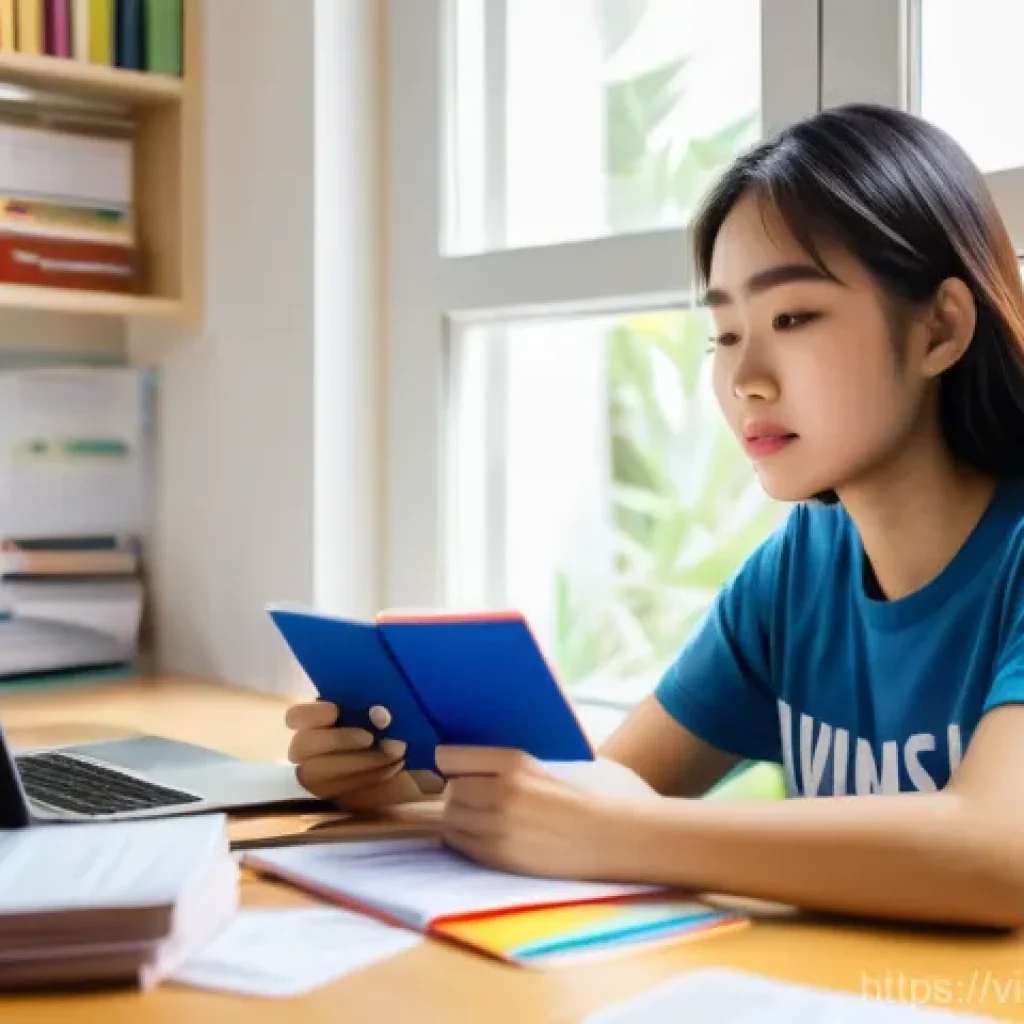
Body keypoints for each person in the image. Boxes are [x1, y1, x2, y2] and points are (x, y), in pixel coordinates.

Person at [284, 104, 1024, 929]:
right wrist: (406, 791)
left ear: (941, 327)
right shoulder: (799, 569)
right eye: (724, 332)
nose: (746, 377)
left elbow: (998, 854)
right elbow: (608, 791)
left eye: (792, 317)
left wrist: (620, 829)